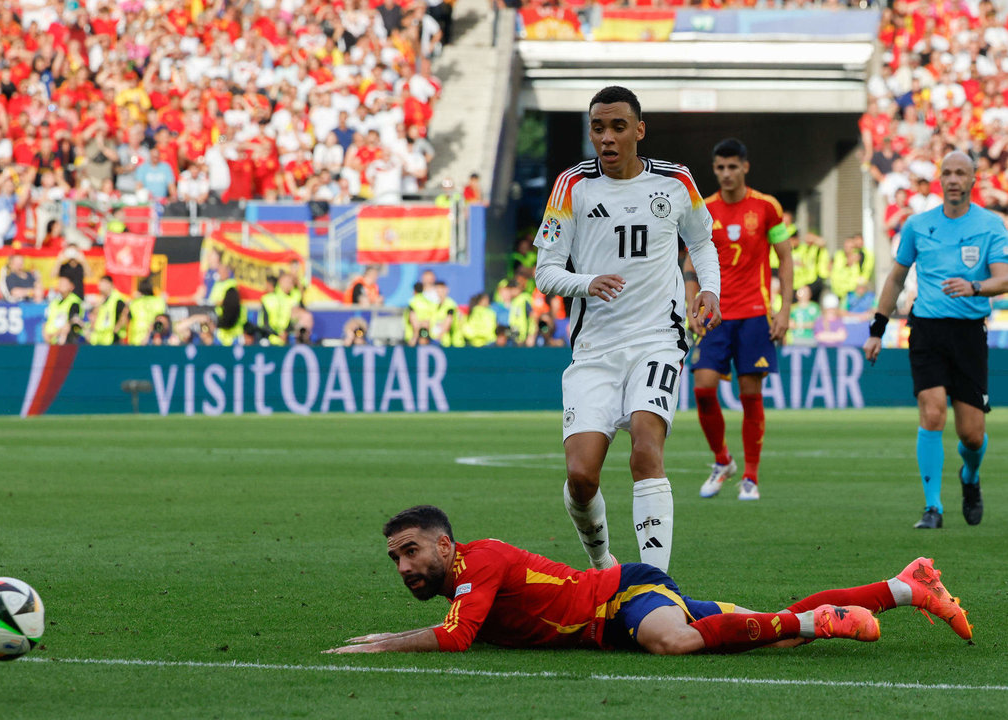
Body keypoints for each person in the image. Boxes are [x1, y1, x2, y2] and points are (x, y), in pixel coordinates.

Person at [324, 505, 972, 655]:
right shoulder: (462, 581)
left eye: (411, 552)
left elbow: (456, 637)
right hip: (612, 614)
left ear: (443, 543)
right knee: (772, 635)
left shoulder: (477, 564)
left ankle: (819, 621)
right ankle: (906, 587)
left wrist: (387, 642)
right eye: (395, 560)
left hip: (621, 597)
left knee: (677, 642)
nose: (405, 567)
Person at [533, 86, 721, 573]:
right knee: (580, 475)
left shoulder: (676, 181)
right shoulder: (572, 186)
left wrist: (710, 291)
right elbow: (546, 271)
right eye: (598, 128)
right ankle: (603, 567)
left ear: (639, 130)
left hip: (658, 340)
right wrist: (588, 282)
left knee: (645, 448)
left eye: (618, 127)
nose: (607, 137)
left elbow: (701, 243)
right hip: (594, 349)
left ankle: (655, 584)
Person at [864, 151, 1008, 529]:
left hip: (968, 333)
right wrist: (877, 329)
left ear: (974, 179)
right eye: (947, 173)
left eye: (961, 172)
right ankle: (933, 507)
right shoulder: (917, 224)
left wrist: (974, 287)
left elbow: (1004, 278)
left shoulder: (991, 225)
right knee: (931, 413)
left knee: (972, 435)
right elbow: (896, 278)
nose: (954, 179)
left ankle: (970, 478)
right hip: (926, 328)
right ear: (939, 180)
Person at [685, 138, 794, 502]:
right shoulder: (703, 209)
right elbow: (689, 264)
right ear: (714, 169)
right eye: (720, 168)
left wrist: (784, 309)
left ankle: (750, 476)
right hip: (716, 315)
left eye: (733, 167)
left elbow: (785, 259)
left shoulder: (767, 208)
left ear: (745, 167)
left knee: (750, 393)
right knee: (702, 388)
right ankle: (723, 461)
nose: (726, 174)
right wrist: (691, 304)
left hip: (754, 314)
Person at [42, 275, 84, 345]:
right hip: (50, 342)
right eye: (60, 283)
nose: (61, 285)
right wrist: (46, 335)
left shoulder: (74, 302)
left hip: (65, 343)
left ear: (71, 286)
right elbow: (47, 320)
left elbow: (71, 322)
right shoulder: (54, 302)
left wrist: (54, 335)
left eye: (64, 283)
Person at [89, 275, 130, 345]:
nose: (100, 286)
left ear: (110, 284)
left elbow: (125, 314)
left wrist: (116, 329)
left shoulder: (117, 299)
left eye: (103, 283)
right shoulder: (101, 300)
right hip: (99, 339)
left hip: (112, 339)